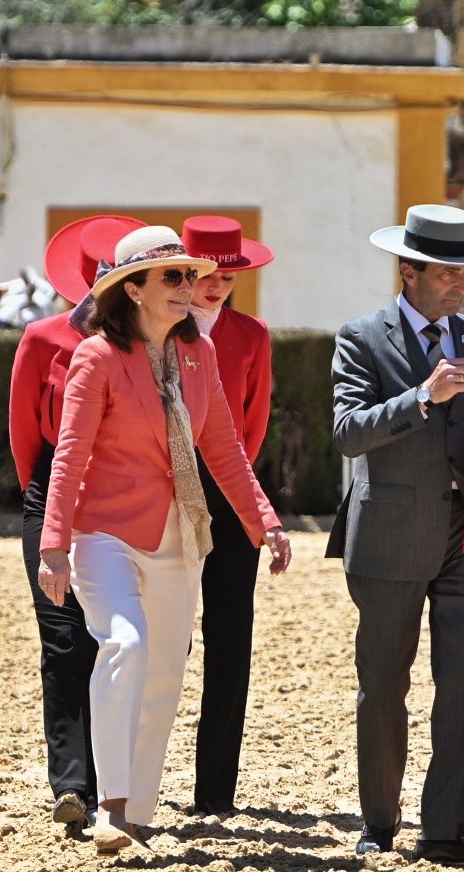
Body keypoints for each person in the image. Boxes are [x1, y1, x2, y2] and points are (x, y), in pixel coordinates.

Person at [37, 225, 292, 855]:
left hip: (180, 535)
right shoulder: (95, 357)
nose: (192, 287)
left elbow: (224, 449)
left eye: (192, 275)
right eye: (173, 277)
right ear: (132, 289)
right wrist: (53, 542)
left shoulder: (197, 355)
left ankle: (139, 811)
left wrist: (265, 521)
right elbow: (69, 454)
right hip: (104, 534)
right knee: (125, 644)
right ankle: (110, 806)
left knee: (163, 677)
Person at [327, 204, 464, 864]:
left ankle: (444, 829)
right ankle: (379, 823)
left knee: (462, 684)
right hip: (387, 537)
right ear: (408, 271)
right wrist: (423, 397)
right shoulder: (360, 338)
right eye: (450, 270)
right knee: (383, 685)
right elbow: (349, 432)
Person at [9, 213, 143, 830]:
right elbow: (23, 436)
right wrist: (46, 508)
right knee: (63, 639)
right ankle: (72, 785)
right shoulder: (40, 338)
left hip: (126, 499)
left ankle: (116, 780)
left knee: (118, 642)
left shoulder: (150, 343)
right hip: (55, 496)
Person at [180, 215, 275, 819]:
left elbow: (254, 423)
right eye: (207, 274)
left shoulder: (253, 336)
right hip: (161, 494)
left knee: (229, 641)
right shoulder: (159, 329)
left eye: (229, 274)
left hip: (230, 496)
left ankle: (216, 792)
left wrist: (237, 495)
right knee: (162, 642)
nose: (217, 285)